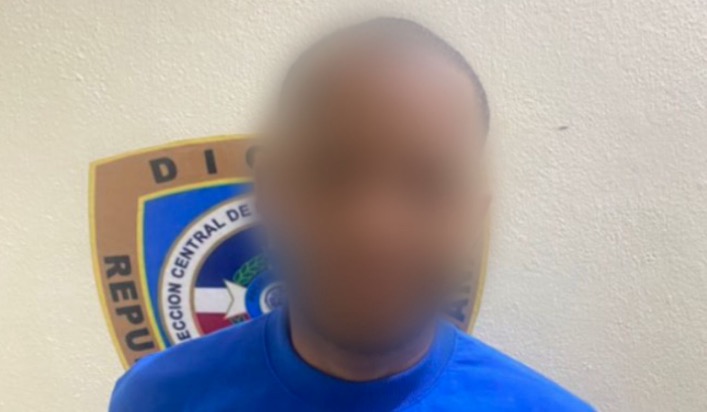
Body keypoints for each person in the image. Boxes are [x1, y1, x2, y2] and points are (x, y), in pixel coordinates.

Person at [110, 17, 593, 411]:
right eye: (332, 171)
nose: (374, 229)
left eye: (426, 182)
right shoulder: (156, 398)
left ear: (470, 217)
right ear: (271, 192)